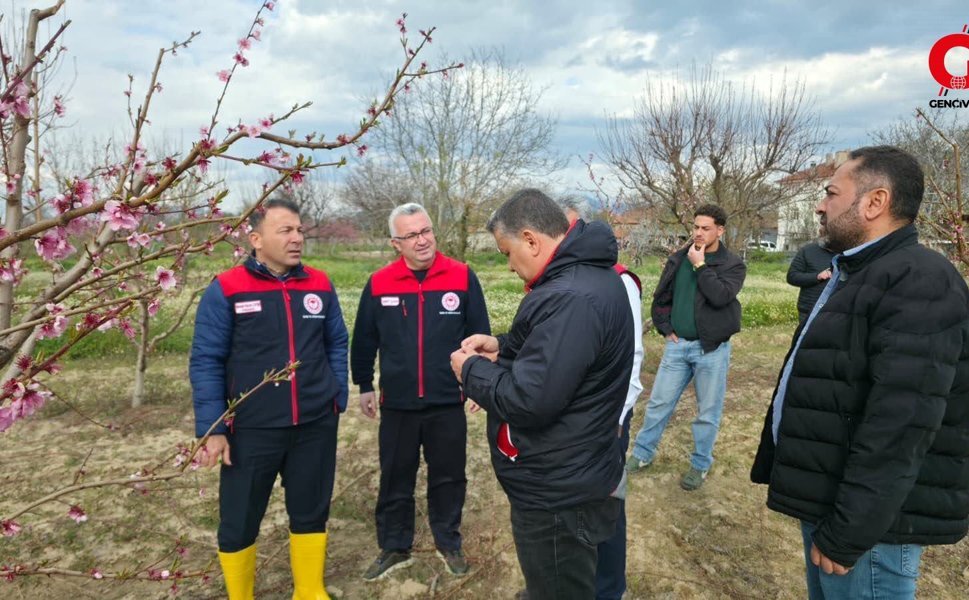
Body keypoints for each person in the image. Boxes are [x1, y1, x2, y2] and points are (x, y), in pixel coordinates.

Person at [751, 145, 969, 599]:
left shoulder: (918, 281)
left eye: (831, 193)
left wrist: (851, 530)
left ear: (875, 202)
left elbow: (902, 424)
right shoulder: (860, 272)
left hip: (871, 529)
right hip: (836, 502)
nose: (819, 204)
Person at [450, 188, 633, 599]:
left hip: (558, 493)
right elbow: (557, 354)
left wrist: (472, 371)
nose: (509, 265)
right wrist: (503, 346)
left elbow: (528, 400)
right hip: (570, 472)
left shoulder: (570, 297)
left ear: (531, 240)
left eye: (506, 252)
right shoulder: (582, 279)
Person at [189, 197, 349, 600]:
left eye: (299, 230)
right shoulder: (226, 288)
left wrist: (336, 394)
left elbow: (336, 342)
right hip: (251, 429)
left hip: (315, 424)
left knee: (311, 511)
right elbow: (206, 360)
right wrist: (214, 428)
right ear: (256, 238)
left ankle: (310, 591)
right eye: (286, 231)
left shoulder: (320, 284)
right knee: (240, 518)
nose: (297, 239)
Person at [351, 203, 490, 581]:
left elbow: (479, 334)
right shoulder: (379, 283)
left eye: (426, 230)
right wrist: (364, 384)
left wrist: (479, 385)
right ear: (396, 243)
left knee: (449, 476)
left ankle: (448, 541)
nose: (422, 239)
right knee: (396, 476)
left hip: (448, 401)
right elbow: (364, 339)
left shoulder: (462, 276)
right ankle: (395, 547)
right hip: (397, 403)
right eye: (411, 235)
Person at [559, 197, 644, 600]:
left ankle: (610, 588)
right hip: (568, 421)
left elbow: (633, 356)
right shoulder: (555, 280)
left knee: (606, 508)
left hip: (607, 420)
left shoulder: (619, 280)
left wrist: (616, 417)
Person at [626, 204, 746, 491]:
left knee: (707, 412)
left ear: (720, 230)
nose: (699, 233)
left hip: (712, 349)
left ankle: (700, 464)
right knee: (658, 403)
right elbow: (661, 296)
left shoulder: (732, 264)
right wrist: (665, 327)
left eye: (706, 228)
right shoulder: (678, 259)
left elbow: (720, 296)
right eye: (696, 227)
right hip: (678, 347)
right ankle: (643, 454)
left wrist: (700, 265)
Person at [786, 239, 836, 324]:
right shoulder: (807, 250)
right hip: (808, 311)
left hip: (838, 312)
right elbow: (792, 276)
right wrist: (817, 276)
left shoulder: (849, 252)